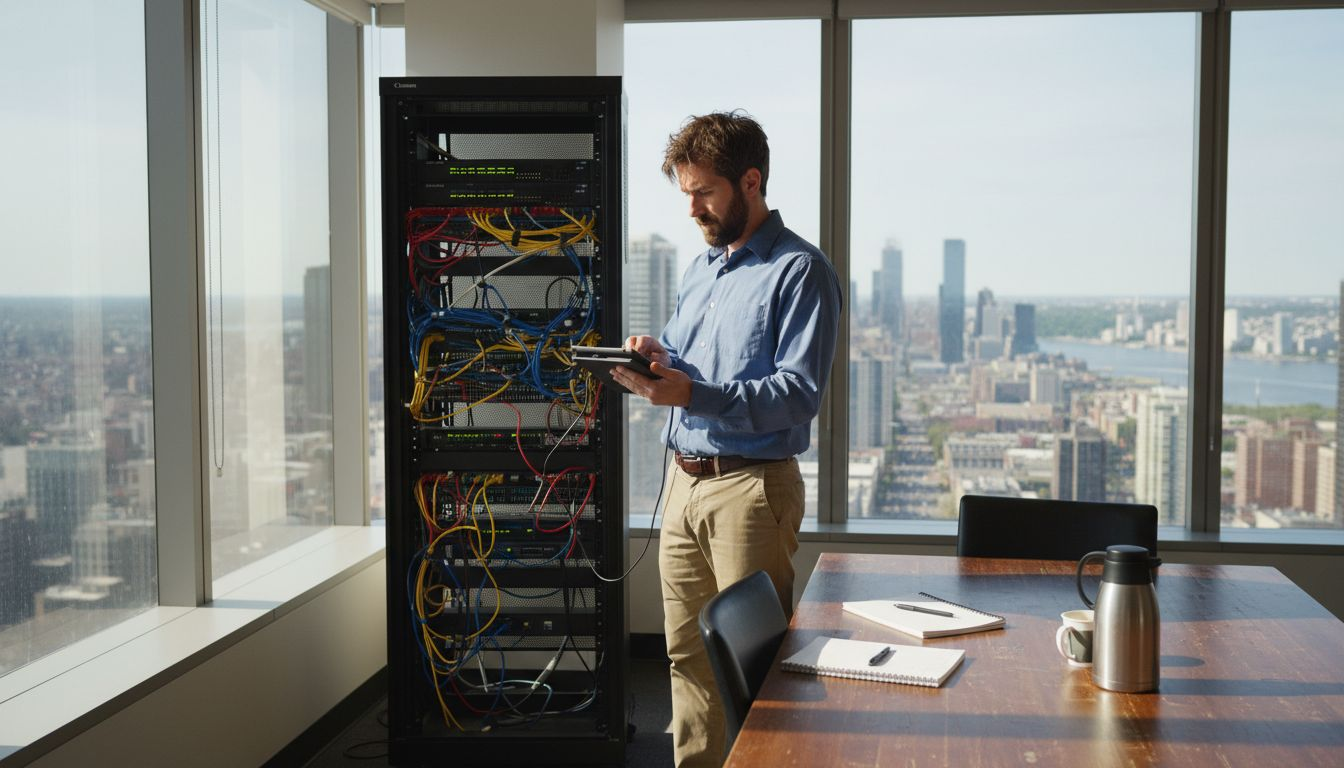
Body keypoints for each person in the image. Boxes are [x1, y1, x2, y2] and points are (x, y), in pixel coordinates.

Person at [611, 111, 842, 768]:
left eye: (703, 192)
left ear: (750, 181)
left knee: (758, 669)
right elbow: (693, 366)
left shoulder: (801, 273)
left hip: (751, 488)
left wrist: (692, 393)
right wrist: (661, 358)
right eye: (685, 193)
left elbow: (798, 394)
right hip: (684, 485)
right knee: (685, 657)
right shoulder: (701, 270)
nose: (692, 209)